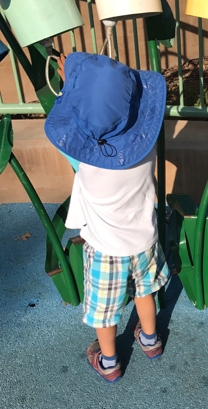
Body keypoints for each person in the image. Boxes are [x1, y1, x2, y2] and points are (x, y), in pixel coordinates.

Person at [44, 52, 170, 382]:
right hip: (144, 240)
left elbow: (72, 127)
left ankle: (110, 361)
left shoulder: (84, 159)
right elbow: (132, 110)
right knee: (144, 291)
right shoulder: (146, 146)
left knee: (105, 312)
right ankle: (150, 340)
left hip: (105, 251)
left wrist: (70, 84)